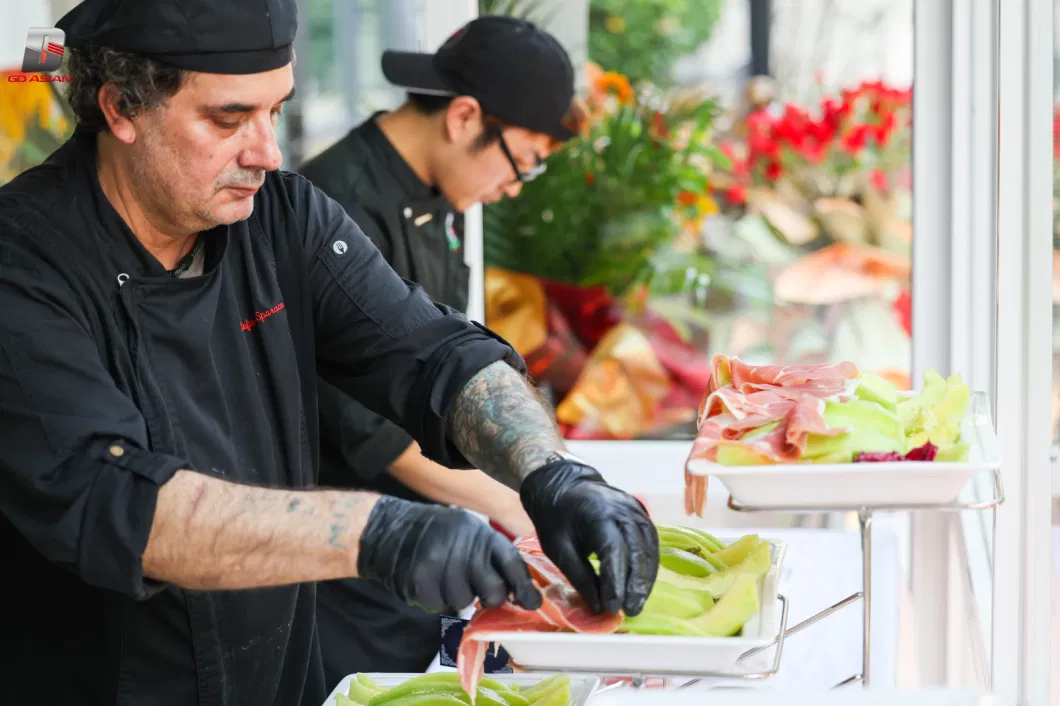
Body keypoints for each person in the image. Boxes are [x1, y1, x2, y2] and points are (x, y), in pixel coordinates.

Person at [0, 2, 659, 705]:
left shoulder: (283, 218)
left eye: (276, 111)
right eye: (228, 120)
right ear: (121, 108)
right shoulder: (24, 263)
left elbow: (433, 352)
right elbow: (117, 502)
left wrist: (550, 472)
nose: (266, 152)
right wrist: (377, 532)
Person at [298, 16, 581, 681]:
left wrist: (544, 465)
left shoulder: (438, 193)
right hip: (339, 542)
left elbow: (449, 351)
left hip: (420, 534)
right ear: (462, 117)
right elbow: (372, 431)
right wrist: (519, 501)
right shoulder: (335, 203)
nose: (513, 187)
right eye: (524, 163)